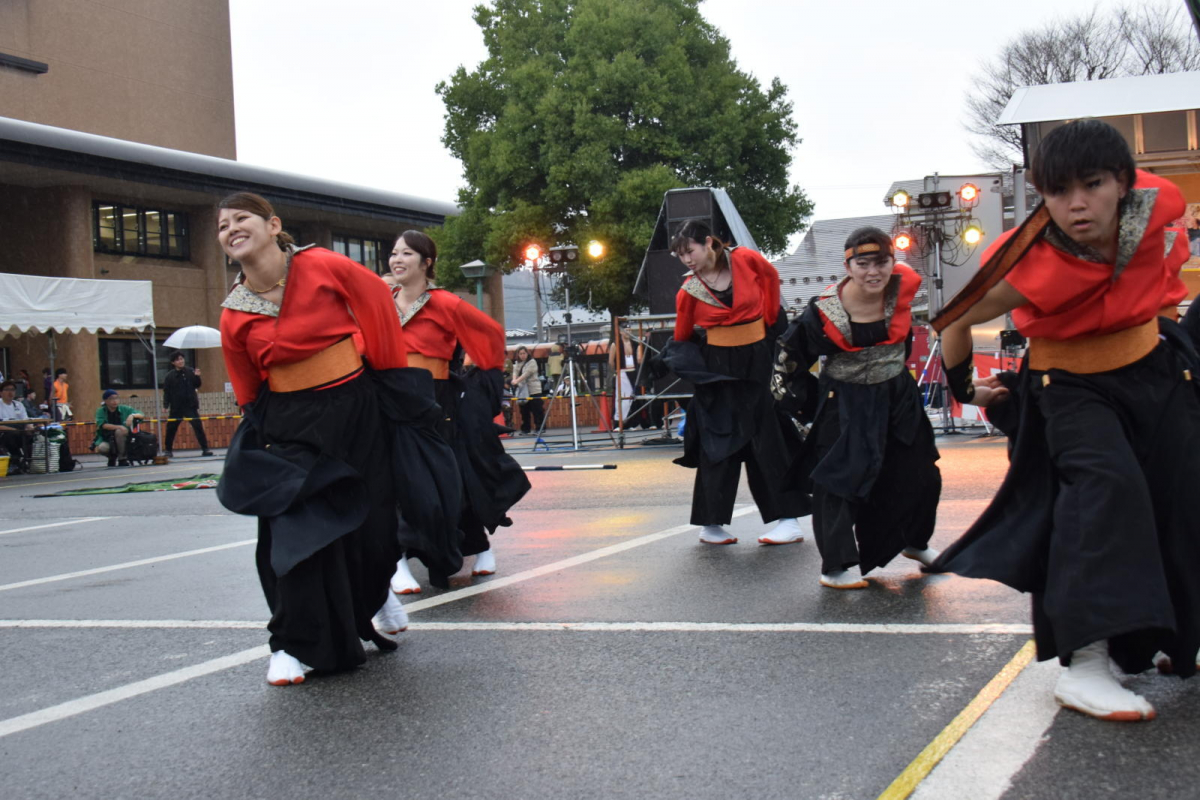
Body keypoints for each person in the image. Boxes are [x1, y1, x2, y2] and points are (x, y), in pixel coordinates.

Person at [930, 119, 1200, 722]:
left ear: (1124, 183)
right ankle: (1085, 663)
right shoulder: (1026, 258)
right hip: (1070, 388)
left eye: (1093, 184)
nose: (1076, 204)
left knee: (1182, 496)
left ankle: (1179, 637)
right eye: (1057, 191)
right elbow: (954, 318)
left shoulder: (1158, 211)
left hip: (1157, 369)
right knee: (1105, 493)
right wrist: (961, 385)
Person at [214, 192, 461, 687]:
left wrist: (391, 382)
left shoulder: (322, 264)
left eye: (242, 219)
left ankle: (373, 594)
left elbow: (375, 304)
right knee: (291, 536)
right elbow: (247, 388)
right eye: (222, 227)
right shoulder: (233, 315)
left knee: (369, 529)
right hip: (289, 427)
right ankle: (288, 643)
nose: (231, 229)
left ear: (272, 225)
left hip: (357, 410)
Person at [774, 228, 941, 589]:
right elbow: (788, 359)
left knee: (920, 470)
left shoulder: (903, 287)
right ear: (847, 266)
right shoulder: (822, 311)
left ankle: (916, 542)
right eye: (862, 264)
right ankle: (834, 566)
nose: (872, 272)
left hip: (899, 394)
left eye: (881, 262)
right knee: (840, 478)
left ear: (892, 263)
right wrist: (808, 406)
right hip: (846, 399)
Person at [382, 230, 530, 592]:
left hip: (437, 399)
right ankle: (397, 560)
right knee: (396, 482)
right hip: (391, 396)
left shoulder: (444, 302)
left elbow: (491, 334)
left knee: (452, 480)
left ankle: (479, 547)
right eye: (394, 253)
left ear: (426, 262)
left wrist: (479, 379)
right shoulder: (382, 300)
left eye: (407, 254)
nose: (397, 259)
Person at [662, 218, 809, 545]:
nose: (687, 259)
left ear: (709, 243)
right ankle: (710, 524)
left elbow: (771, 280)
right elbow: (682, 336)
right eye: (681, 255)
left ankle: (788, 520)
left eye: (690, 251)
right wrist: (693, 369)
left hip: (759, 358)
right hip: (718, 370)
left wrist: (770, 326)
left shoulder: (746, 260)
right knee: (718, 443)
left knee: (769, 439)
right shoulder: (688, 290)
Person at [162, 351, 213, 458]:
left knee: (197, 426)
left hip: (190, 405)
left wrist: (198, 376)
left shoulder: (190, 371)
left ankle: (205, 448)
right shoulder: (169, 376)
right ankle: (168, 450)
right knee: (171, 428)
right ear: (173, 362)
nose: (180, 361)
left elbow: (197, 385)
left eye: (181, 359)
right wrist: (165, 405)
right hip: (176, 406)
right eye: (177, 360)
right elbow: (166, 392)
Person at [92, 389, 144, 467]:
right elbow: (103, 425)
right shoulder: (101, 411)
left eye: (116, 398)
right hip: (107, 438)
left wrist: (132, 416)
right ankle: (111, 457)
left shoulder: (124, 408)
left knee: (119, 432)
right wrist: (120, 426)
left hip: (124, 436)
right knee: (102, 448)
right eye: (111, 399)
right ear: (105, 401)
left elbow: (141, 414)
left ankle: (122, 459)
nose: (115, 401)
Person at [511, 346, 545, 435]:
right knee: (524, 410)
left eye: (524, 353)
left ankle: (539, 428)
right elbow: (515, 372)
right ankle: (526, 429)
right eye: (520, 353)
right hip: (523, 390)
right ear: (518, 355)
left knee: (537, 410)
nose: (522, 355)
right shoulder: (517, 363)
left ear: (527, 353)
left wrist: (516, 381)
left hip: (534, 389)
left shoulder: (532, 362)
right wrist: (514, 379)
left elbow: (526, 373)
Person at [0, 380, 32, 473]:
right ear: (1, 392)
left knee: (33, 436)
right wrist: (13, 429)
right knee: (11, 436)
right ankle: (15, 460)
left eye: (13, 390)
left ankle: (29, 462)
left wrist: (31, 428)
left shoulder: (19, 405)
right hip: (5, 433)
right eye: (7, 390)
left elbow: (26, 421)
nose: (10, 392)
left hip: (20, 431)